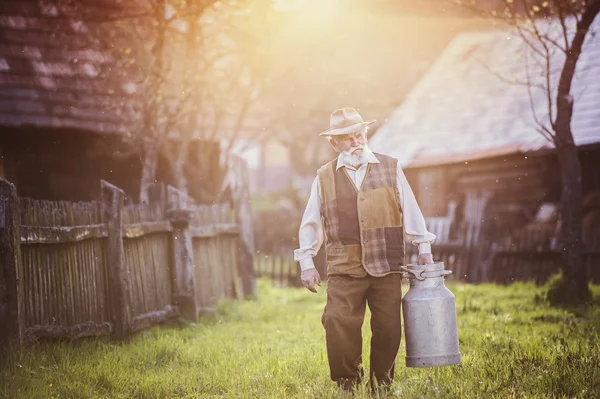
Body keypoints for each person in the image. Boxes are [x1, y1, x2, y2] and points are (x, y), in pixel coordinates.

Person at [294, 107, 436, 393]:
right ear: (334, 143)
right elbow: (311, 222)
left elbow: (410, 208)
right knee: (337, 320)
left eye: (359, 134)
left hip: (386, 263)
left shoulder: (390, 166)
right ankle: (348, 382)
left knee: (388, 328)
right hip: (344, 266)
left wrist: (424, 247)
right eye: (347, 138)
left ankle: (381, 384)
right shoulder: (323, 176)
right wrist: (306, 262)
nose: (356, 141)